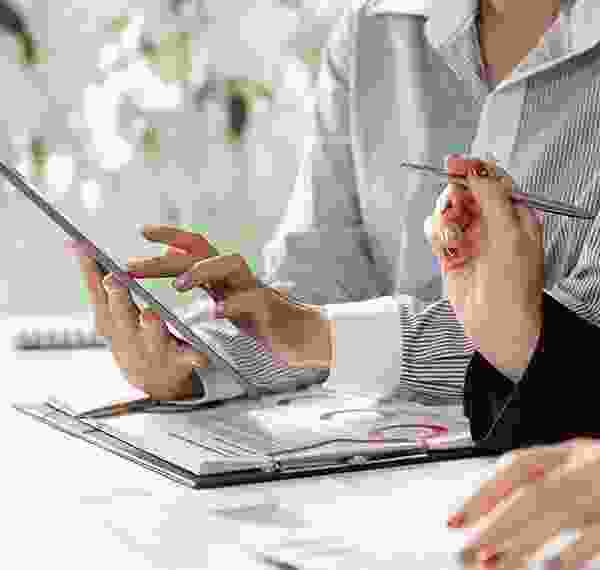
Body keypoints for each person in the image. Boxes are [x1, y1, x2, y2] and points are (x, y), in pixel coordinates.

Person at [78, 0, 600, 406]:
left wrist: (317, 334)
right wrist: (200, 357)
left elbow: (577, 340)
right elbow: (322, 280)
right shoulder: (371, 30)